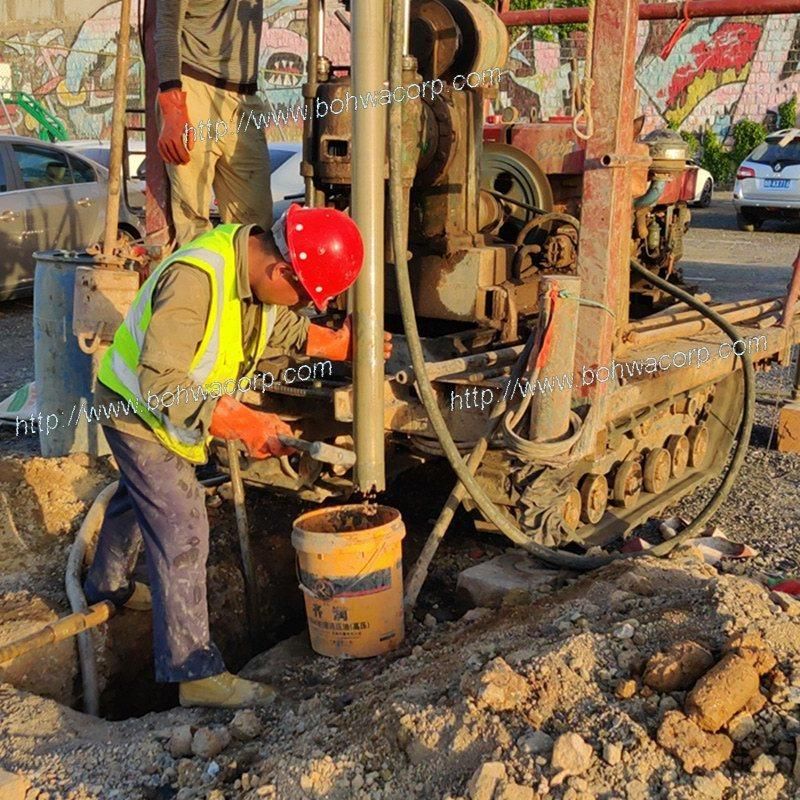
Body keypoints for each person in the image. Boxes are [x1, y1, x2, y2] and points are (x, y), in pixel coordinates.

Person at [85, 204, 391, 709]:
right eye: (304, 295)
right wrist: (243, 423)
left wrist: (337, 345)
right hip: (135, 408)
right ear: (281, 270)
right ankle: (193, 672)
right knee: (182, 526)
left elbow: (279, 332)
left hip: (165, 414)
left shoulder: (252, 270)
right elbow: (160, 383)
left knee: (139, 498)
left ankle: (106, 588)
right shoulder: (196, 280)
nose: (303, 307)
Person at [154, 0, 271, 245]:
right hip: (194, 87)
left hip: (244, 97)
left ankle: (239, 283)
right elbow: (166, 29)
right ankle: (198, 281)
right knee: (193, 221)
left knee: (255, 228)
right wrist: (172, 105)